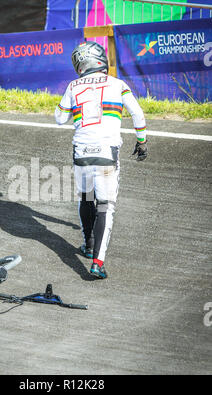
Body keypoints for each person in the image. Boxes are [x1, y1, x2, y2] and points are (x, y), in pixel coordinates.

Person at [55, 41, 148, 279]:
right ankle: (97, 263)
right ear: (100, 59)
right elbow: (137, 113)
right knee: (106, 206)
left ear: (79, 64)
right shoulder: (118, 83)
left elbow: (59, 118)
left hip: (81, 151)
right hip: (106, 151)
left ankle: (88, 244)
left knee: (86, 198)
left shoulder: (73, 85)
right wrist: (142, 141)